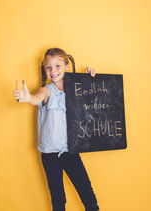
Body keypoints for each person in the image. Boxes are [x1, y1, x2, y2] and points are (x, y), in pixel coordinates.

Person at [13, 48, 100, 211]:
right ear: (44, 69)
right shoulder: (46, 91)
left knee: (88, 195)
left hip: (71, 150)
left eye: (58, 66)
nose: (53, 71)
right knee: (58, 199)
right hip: (50, 155)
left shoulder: (77, 90)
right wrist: (27, 98)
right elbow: (36, 98)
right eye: (48, 67)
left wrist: (92, 78)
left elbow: (96, 97)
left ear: (67, 66)